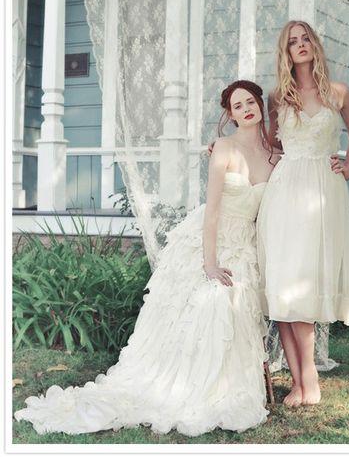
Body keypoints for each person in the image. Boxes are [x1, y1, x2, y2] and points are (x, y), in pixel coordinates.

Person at [14, 80, 281, 437]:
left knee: (237, 305)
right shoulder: (224, 151)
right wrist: (209, 263)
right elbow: (213, 211)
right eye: (238, 105)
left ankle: (228, 382)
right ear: (230, 115)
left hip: (245, 243)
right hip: (212, 241)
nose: (247, 108)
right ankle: (186, 383)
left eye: (251, 101)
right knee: (210, 301)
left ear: (260, 106)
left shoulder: (272, 155)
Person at [256, 21, 349, 408]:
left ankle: (310, 380)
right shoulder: (278, 97)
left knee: (301, 287)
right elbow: (269, 144)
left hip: (322, 190)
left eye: (305, 39)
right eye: (292, 42)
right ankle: (299, 383)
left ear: (315, 45)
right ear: (285, 52)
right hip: (284, 191)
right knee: (283, 286)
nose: (300, 46)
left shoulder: (339, 93)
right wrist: (225, 146)